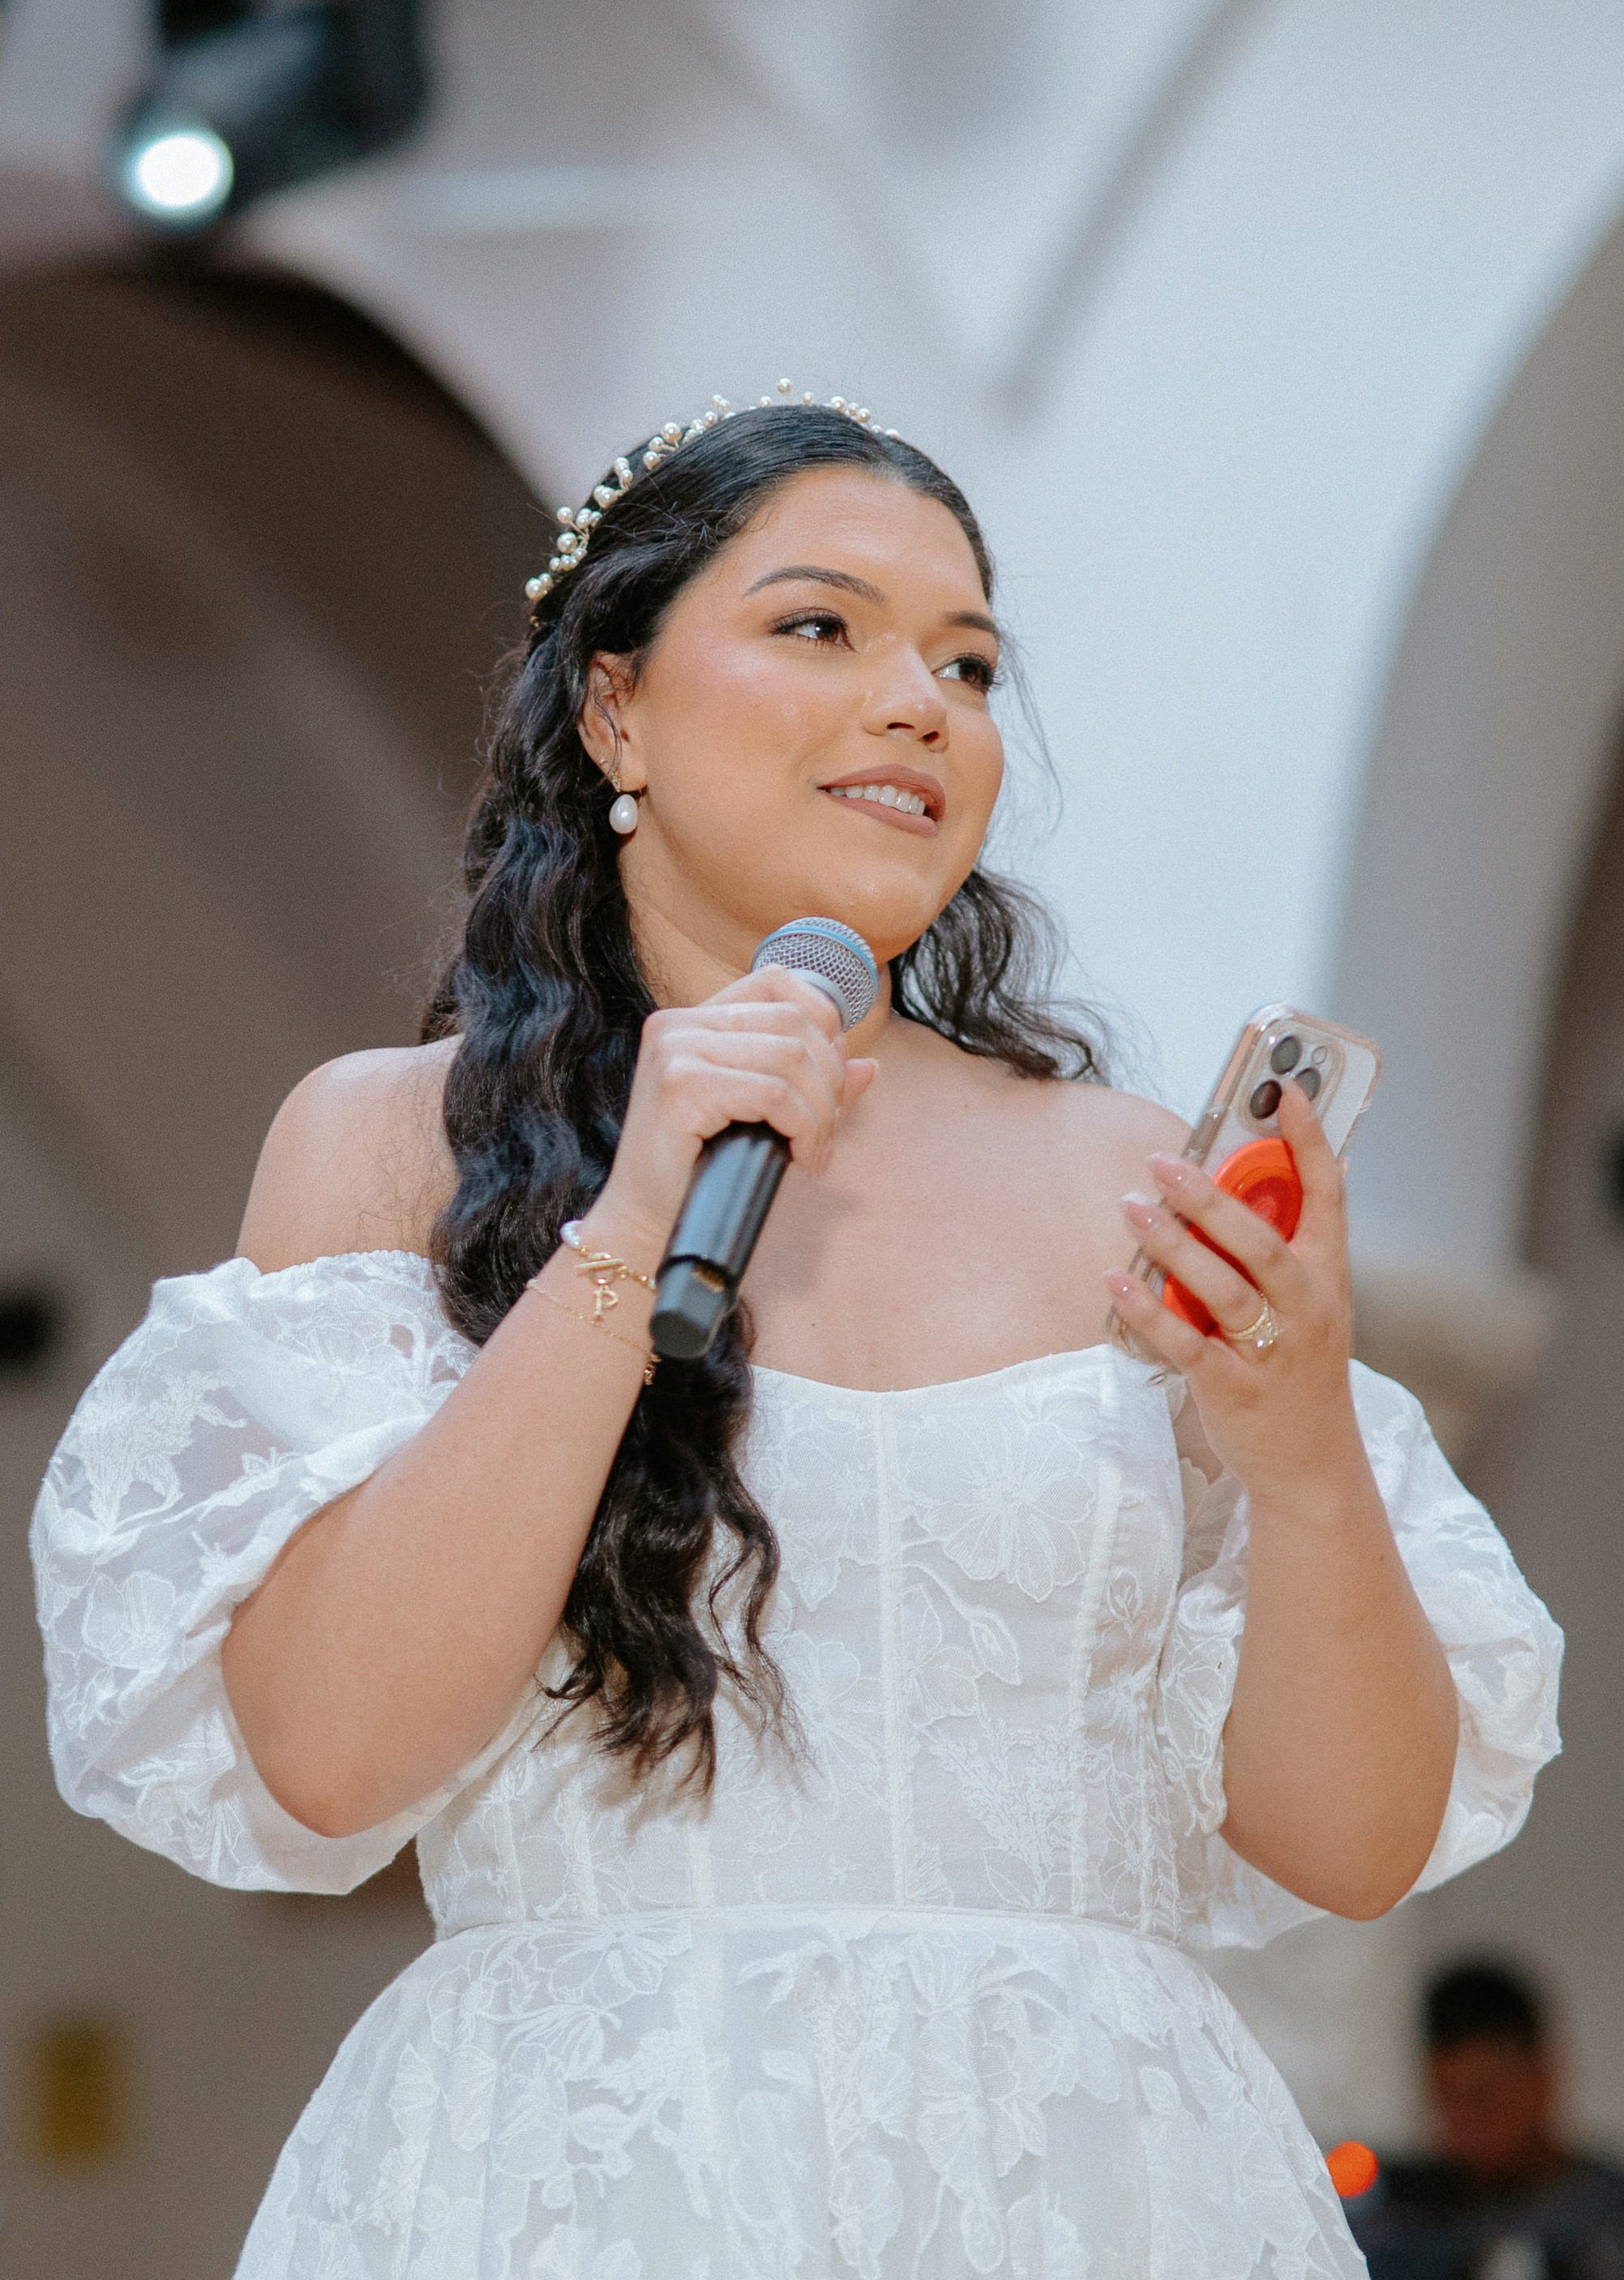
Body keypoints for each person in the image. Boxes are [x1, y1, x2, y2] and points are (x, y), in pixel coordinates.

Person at [33, 389, 1562, 2278]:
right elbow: (329, 1759)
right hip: (582, 2171)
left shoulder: (1128, 1179)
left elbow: (1355, 1843)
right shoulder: (387, 1148)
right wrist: (623, 1235)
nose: (918, 702)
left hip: (1087, 2179)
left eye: (967, 663)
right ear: (613, 708)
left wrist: (1304, 1443)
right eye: (822, 626)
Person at [1349, 1961, 1624, 2280]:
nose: (1467, 2119)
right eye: (1447, 2097)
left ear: (1542, 2078)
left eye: (1485, 2094)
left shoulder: (1609, 2216)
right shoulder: (1396, 2215)